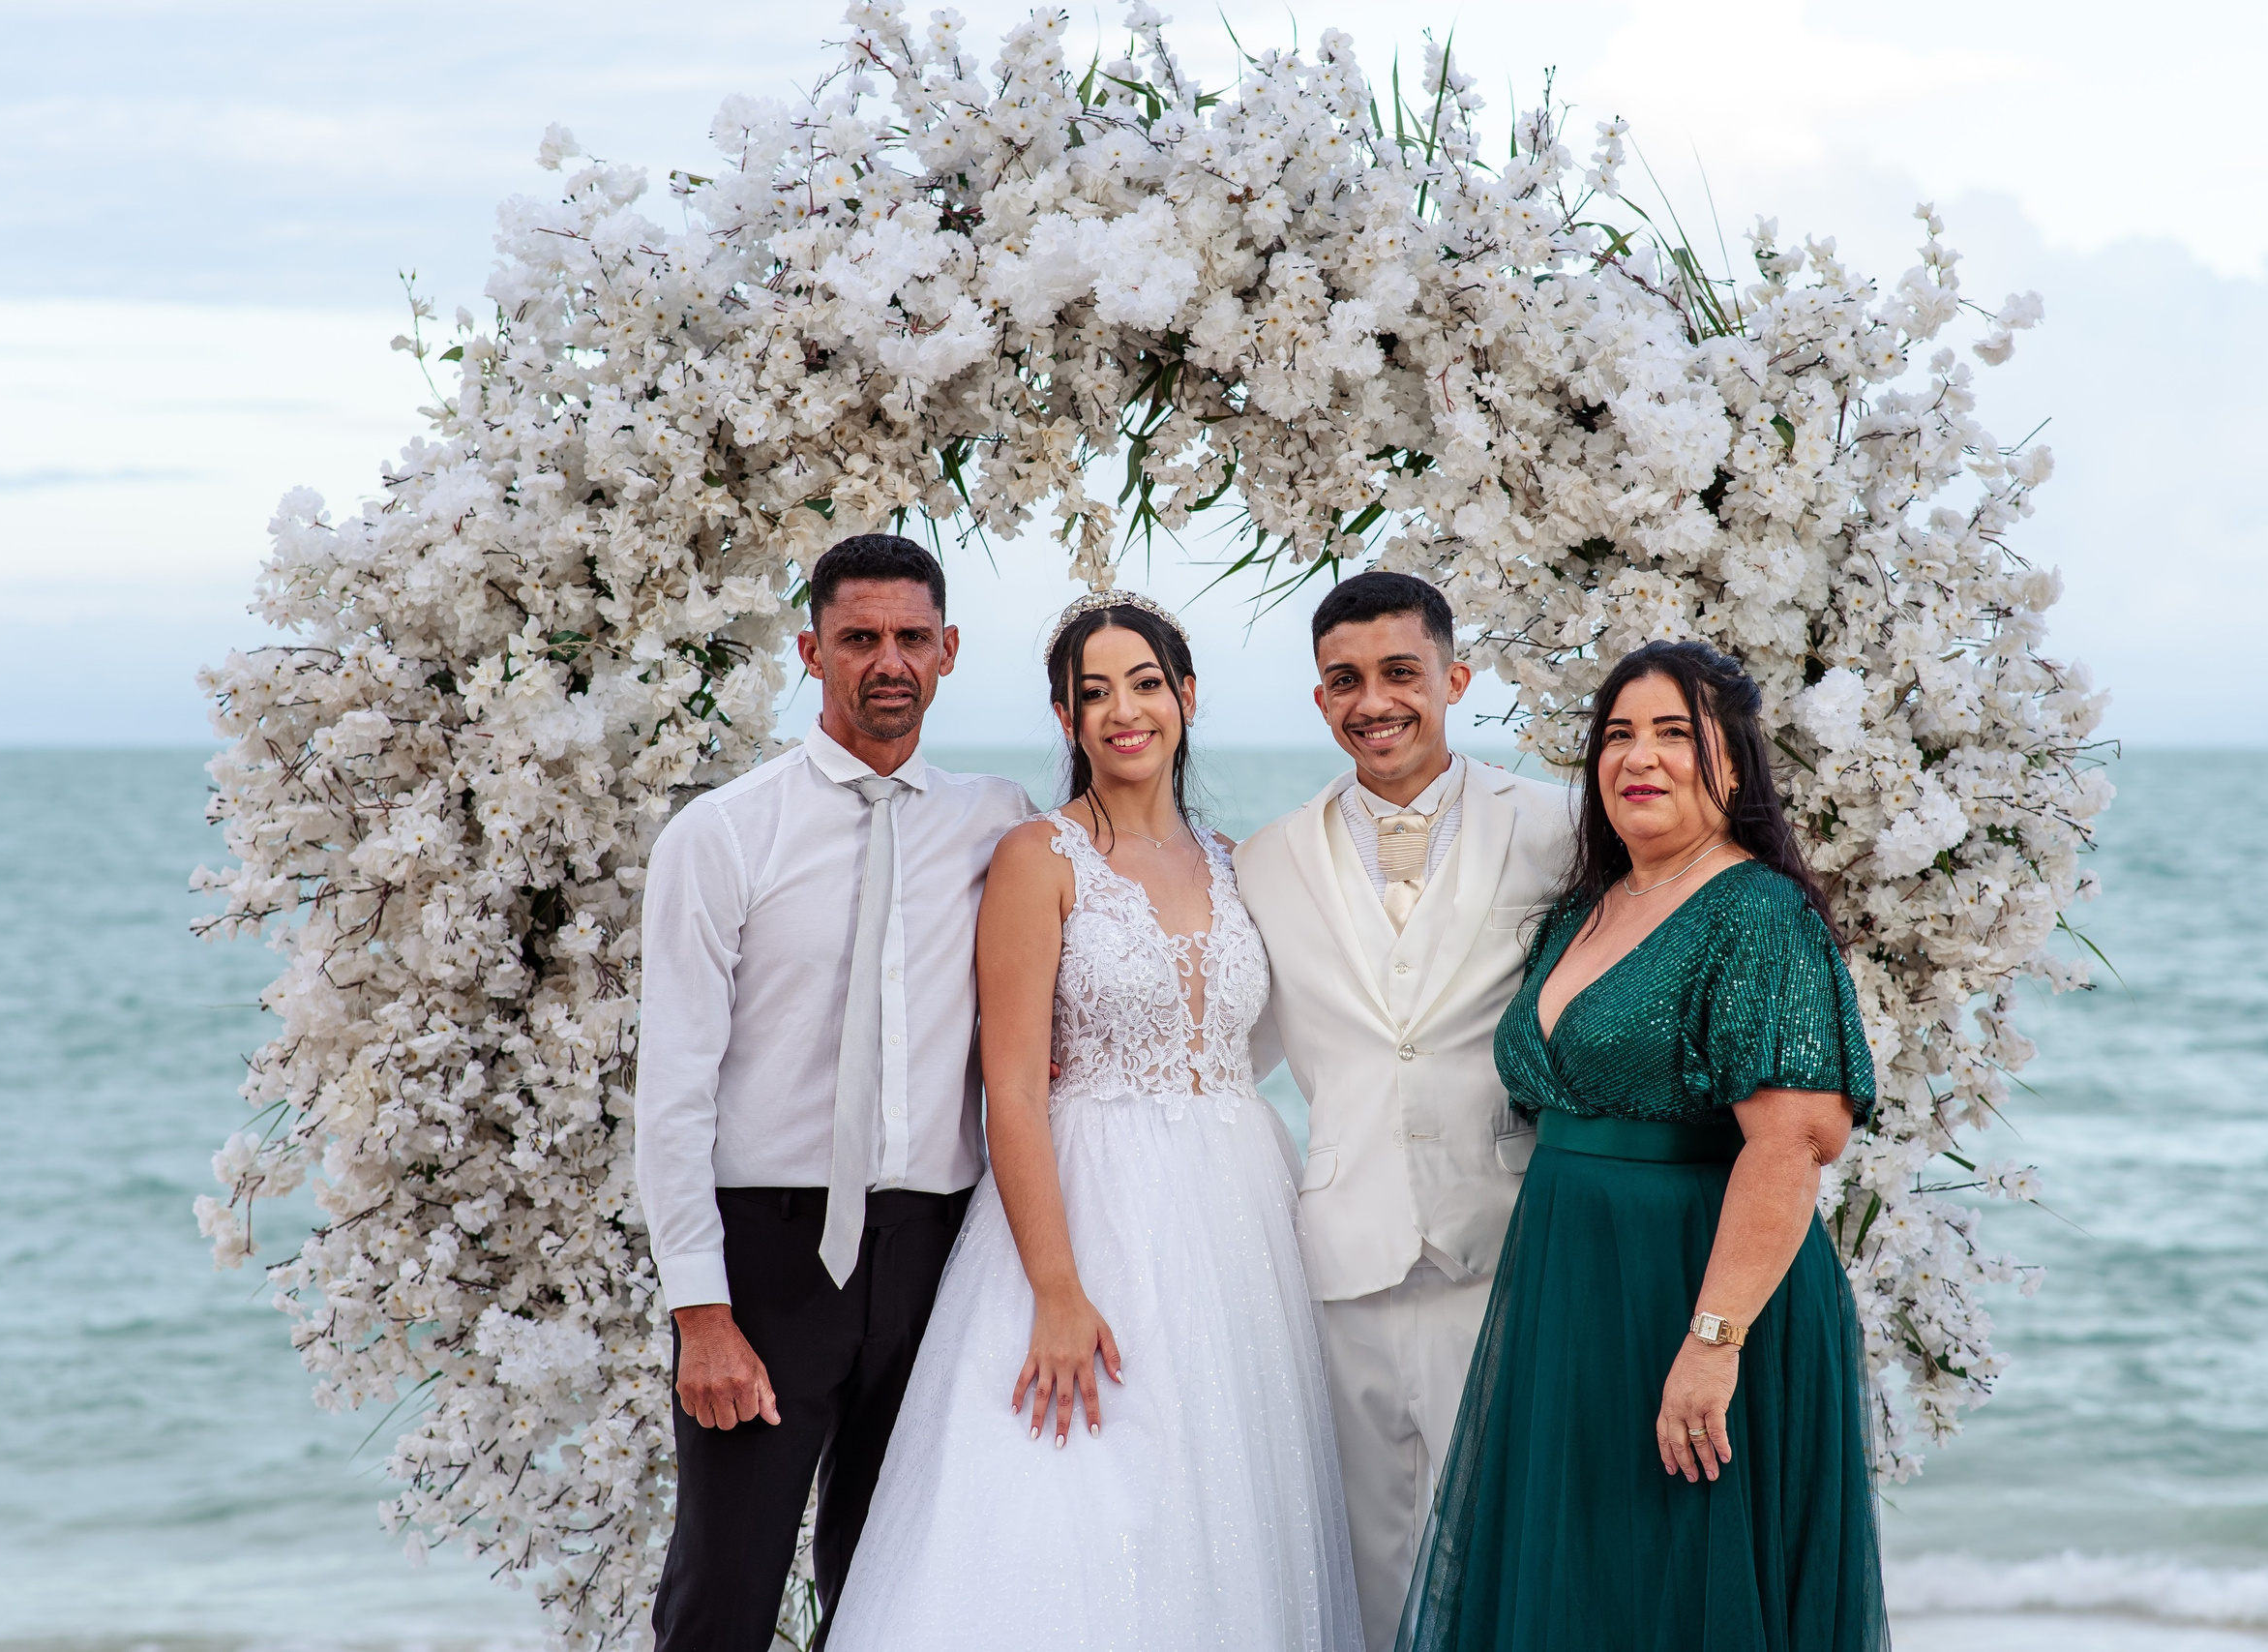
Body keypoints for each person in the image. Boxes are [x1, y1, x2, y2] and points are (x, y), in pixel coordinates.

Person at [825, 591, 1364, 1652]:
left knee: (1223, 1509)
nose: (1125, 710)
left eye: (1146, 683)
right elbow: (1013, 1089)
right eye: (1093, 692)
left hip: (1236, 1220)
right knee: (1074, 1499)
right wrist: (1057, 1292)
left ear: (1187, 697)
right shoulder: (1040, 858)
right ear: (1067, 720)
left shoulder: (1232, 858)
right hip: (1091, 1205)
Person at [1402, 639, 1888, 1652]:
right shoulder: (1590, 903)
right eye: (1618, 735)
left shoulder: (1756, 911)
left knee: (1673, 1583)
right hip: (1572, 1288)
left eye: (1675, 734)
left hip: (1689, 1288)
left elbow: (1795, 1139)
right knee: (1581, 1585)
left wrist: (1711, 1347)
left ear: (1734, 761)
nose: (1640, 757)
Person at [634, 534, 1033, 1652]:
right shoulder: (720, 837)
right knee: (724, 1588)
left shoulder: (997, 820)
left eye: (911, 638)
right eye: (859, 639)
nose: (887, 661)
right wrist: (700, 1313)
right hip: (769, 1263)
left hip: (937, 1251)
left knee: (900, 1588)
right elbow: (671, 1092)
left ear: (948, 652)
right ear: (811, 652)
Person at [1231, 571, 1574, 1651]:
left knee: (1515, 1537)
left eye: (1398, 673)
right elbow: (1235, 1051)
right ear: (1319, 699)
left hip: (1506, 1238)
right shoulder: (1265, 857)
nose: (1371, 700)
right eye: (1343, 680)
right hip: (1345, 1252)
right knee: (1368, 1553)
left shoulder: (1560, 827)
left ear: (1453, 678)